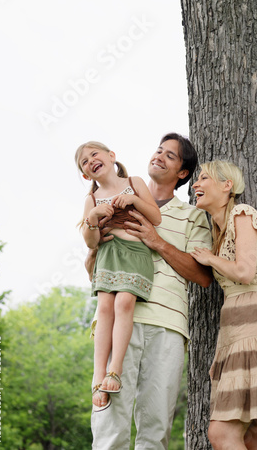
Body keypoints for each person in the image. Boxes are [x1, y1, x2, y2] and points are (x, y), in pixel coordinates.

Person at [87, 133, 213, 449]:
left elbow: (203, 276)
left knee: (154, 426)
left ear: (183, 173)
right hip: (116, 324)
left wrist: (156, 241)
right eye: (158, 150)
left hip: (167, 326)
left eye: (170, 156)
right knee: (109, 423)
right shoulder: (112, 200)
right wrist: (93, 248)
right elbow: (96, 272)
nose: (159, 156)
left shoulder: (193, 216)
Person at [191, 160, 257, 450]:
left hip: (255, 319)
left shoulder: (242, 213)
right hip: (234, 326)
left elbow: (245, 272)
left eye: (203, 178)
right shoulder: (216, 228)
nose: (196, 185)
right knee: (251, 435)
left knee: (221, 433)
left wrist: (210, 258)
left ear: (227, 186)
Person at [75, 141, 161, 412]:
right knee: (105, 307)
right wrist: (92, 217)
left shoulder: (134, 182)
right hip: (109, 254)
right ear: (86, 175)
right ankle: (98, 375)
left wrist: (134, 200)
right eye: (84, 163)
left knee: (124, 303)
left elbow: (156, 217)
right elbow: (91, 243)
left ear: (111, 156)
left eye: (94, 155)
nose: (90, 161)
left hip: (135, 253)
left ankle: (115, 369)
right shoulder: (91, 199)